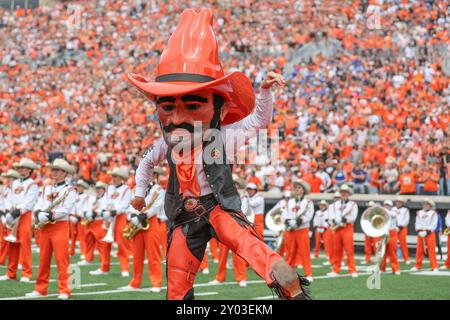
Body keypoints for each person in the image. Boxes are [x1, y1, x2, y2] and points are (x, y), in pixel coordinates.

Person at [129, 8, 310, 300]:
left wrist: (264, 93)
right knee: (177, 281)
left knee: (245, 242)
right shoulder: (166, 144)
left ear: (220, 109)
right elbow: (146, 162)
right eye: (167, 107)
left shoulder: (224, 136)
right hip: (183, 217)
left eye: (192, 106)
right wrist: (139, 191)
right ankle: (276, 271)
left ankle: (285, 279)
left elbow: (258, 121)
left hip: (216, 207)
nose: (176, 118)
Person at [25, 159, 77, 299]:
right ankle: (40, 289)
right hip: (45, 228)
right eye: (53, 169)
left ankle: (64, 290)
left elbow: (65, 210)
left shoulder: (70, 190)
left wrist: (48, 215)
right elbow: (39, 203)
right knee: (43, 260)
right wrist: (37, 213)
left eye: (57, 170)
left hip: (59, 226)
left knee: (62, 260)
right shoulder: (47, 188)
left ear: (65, 173)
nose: (53, 172)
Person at [120, 167, 165, 292]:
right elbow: (131, 205)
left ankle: (156, 283)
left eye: (150, 173)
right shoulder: (136, 189)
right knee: (136, 254)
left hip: (151, 223)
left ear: (155, 175)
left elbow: (156, 207)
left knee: (153, 254)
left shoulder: (159, 190)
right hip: (137, 223)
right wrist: (131, 216)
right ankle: (135, 282)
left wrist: (141, 216)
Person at [0, 158, 39, 283]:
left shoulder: (32, 184)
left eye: (23, 167)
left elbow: (30, 201)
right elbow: (10, 199)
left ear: (29, 170)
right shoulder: (15, 183)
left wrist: (18, 211)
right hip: (14, 214)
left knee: (25, 244)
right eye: (20, 167)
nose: (20, 169)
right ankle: (11, 273)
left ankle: (26, 274)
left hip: (24, 216)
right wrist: (9, 211)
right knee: (12, 244)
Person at [279, 180, 314, 282]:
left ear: (303, 190)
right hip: (290, 230)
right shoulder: (289, 201)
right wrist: (288, 221)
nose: (297, 190)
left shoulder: (308, 202)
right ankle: (288, 274)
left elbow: (309, 215)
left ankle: (308, 274)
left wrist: (299, 221)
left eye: (299, 188)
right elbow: (284, 213)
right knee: (290, 252)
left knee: (304, 252)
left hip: (302, 229)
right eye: (296, 188)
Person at [105, 167, 132, 277]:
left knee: (122, 244)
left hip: (120, 217)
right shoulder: (109, 188)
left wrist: (115, 211)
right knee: (105, 244)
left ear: (121, 178)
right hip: (109, 217)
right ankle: (104, 267)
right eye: (113, 176)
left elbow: (125, 205)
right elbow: (107, 201)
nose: (113, 178)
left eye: (115, 176)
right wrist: (106, 211)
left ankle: (125, 268)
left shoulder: (126, 189)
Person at [327, 184, 358, 278]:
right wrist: (336, 220)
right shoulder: (334, 205)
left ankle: (352, 269)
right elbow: (331, 215)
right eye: (342, 192)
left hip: (347, 227)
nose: (344, 194)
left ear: (348, 193)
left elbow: (353, 217)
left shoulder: (353, 204)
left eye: (345, 192)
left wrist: (344, 220)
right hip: (337, 228)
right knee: (337, 250)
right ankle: (336, 269)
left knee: (349, 250)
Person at [83, 182, 111, 275]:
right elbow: (86, 208)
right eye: (97, 188)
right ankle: (88, 258)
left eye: (100, 188)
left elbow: (106, 210)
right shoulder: (93, 198)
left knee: (102, 245)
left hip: (100, 222)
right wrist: (87, 213)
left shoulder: (106, 199)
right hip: (91, 222)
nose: (98, 190)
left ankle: (104, 266)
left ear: (104, 190)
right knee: (89, 241)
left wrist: (96, 213)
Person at [0, 170, 22, 266]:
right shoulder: (3, 189)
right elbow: (1, 203)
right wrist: (3, 216)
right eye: (6, 178)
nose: (7, 180)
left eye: (10, 178)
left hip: (16, 216)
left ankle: (20, 261)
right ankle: (2, 260)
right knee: (4, 240)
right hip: (5, 216)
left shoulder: (18, 190)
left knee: (19, 240)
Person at [411, 198, 439, 272]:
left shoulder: (433, 213)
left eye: (427, 204)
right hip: (421, 233)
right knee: (419, 250)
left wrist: (427, 232)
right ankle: (417, 265)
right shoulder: (419, 212)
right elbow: (417, 223)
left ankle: (434, 266)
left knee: (431, 250)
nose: (425, 205)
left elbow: (434, 224)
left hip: (430, 233)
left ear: (430, 205)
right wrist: (419, 231)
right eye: (424, 204)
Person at [379, 200, 401, 275]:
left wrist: (381, 210)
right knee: (382, 252)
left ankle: (395, 269)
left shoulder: (394, 211)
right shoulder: (382, 212)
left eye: (388, 205)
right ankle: (382, 268)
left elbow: (391, 214)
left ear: (391, 206)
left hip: (392, 233)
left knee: (393, 252)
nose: (386, 206)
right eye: (385, 205)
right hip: (383, 232)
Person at [361, 201, 381, 265]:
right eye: (369, 206)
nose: (369, 208)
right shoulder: (366, 214)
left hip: (375, 231)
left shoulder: (377, 214)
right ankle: (367, 259)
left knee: (376, 246)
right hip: (368, 231)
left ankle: (377, 259)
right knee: (367, 246)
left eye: (371, 206)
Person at [313, 200, 332, 264]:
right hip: (318, 228)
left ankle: (328, 255)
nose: (322, 206)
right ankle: (316, 254)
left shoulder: (328, 212)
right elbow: (315, 220)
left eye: (323, 205)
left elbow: (329, 221)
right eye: (321, 205)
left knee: (327, 243)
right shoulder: (317, 212)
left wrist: (325, 227)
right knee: (317, 242)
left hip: (325, 229)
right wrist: (316, 226)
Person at [392, 196, 410, 264]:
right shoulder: (392, 209)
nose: (398, 203)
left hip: (402, 228)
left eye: (400, 202)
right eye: (397, 201)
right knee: (392, 244)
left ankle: (406, 258)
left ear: (402, 203)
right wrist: (394, 226)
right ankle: (393, 257)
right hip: (393, 228)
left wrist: (400, 227)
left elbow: (406, 220)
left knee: (403, 244)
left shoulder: (405, 210)